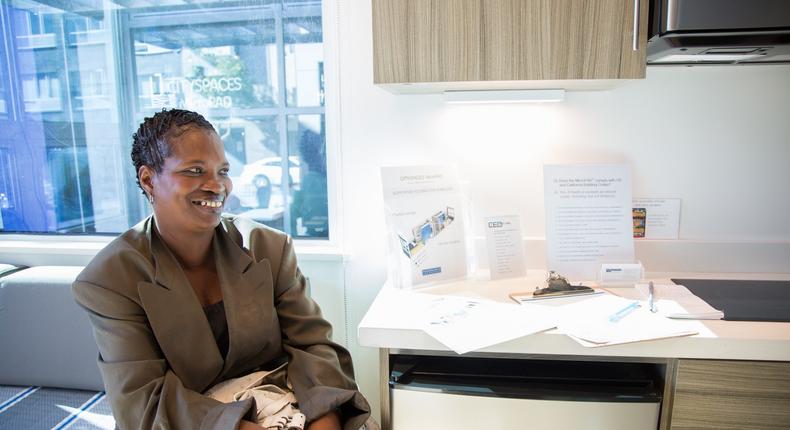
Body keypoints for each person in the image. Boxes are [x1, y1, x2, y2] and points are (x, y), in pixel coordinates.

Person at [72, 109, 371, 430]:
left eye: (223, 170)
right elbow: (144, 399)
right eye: (195, 170)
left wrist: (325, 422)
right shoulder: (109, 279)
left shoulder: (268, 247)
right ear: (148, 180)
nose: (217, 185)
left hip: (285, 407)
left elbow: (313, 347)